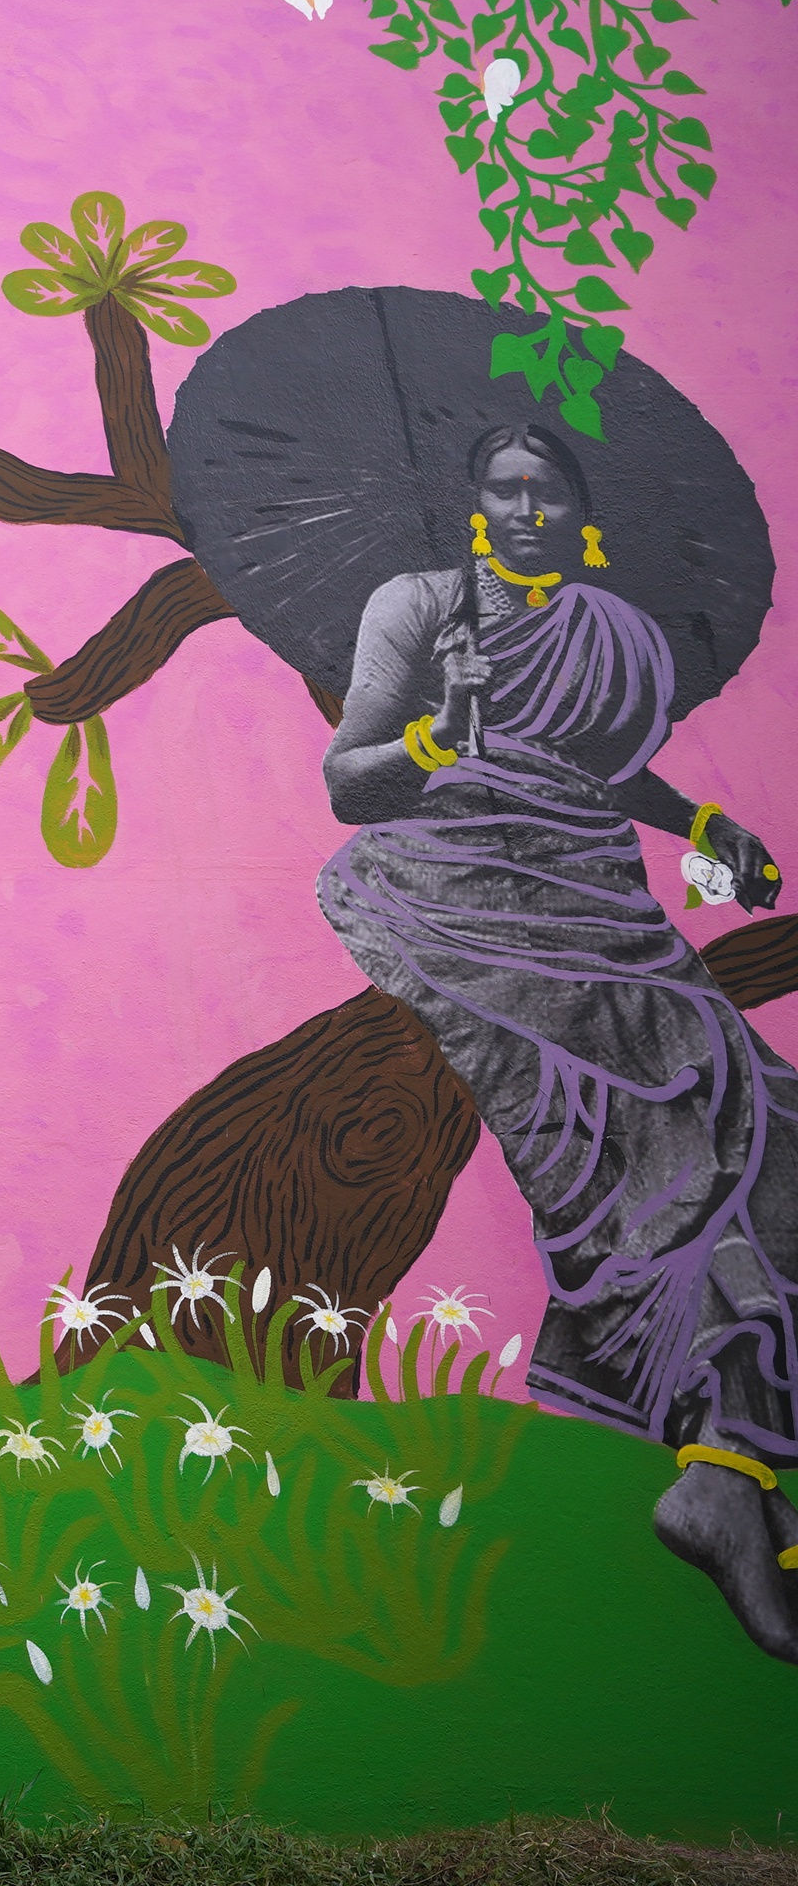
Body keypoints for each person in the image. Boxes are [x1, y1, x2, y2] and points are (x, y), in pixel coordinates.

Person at [316, 423, 796, 1660]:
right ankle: (722, 1467)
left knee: (760, 1119)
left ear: (581, 513)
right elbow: (349, 780)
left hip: (595, 889)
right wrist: (440, 726)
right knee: (642, 1141)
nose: (526, 507)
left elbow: (598, 773)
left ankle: (728, 1465)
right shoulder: (416, 606)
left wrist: (704, 820)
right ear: (475, 503)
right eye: (504, 488)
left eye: (549, 491)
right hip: (454, 886)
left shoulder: (611, 632)